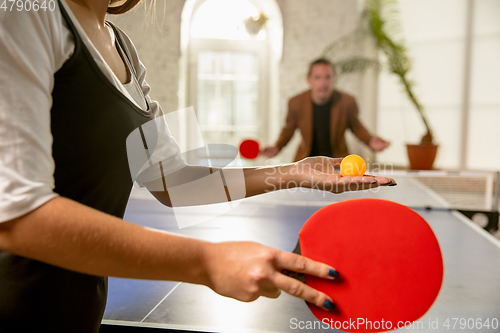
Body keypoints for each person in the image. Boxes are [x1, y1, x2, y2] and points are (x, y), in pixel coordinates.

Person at [0, 1, 396, 332]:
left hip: (79, 312)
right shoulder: (26, 13)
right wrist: (207, 261)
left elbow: (174, 181)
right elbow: (16, 216)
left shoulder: (122, 47)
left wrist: (291, 172)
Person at [263, 58, 390, 161]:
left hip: (337, 159)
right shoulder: (295, 103)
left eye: (327, 77)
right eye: (318, 77)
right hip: (307, 159)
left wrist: (370, 140)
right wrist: (277, 146)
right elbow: (288, 129)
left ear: (334, 79)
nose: (323, 83)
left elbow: (356, 126)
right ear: (309, 80)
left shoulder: (347, 101)